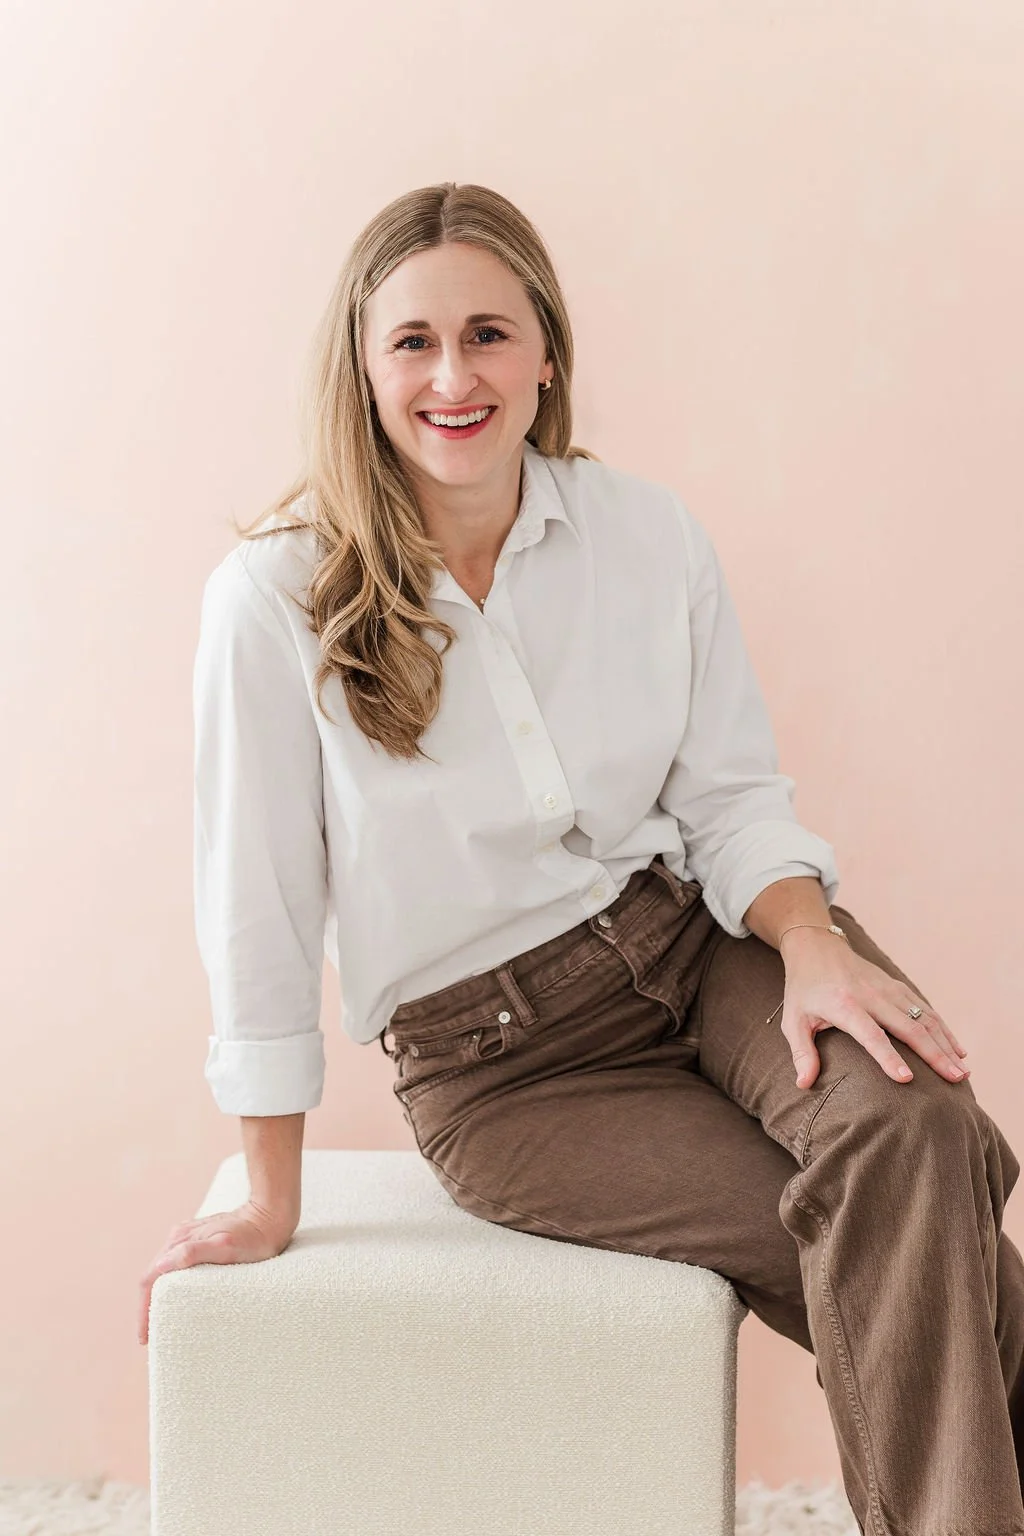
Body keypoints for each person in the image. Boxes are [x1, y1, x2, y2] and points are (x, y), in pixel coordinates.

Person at [138, 181, 1024, 1532]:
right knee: (903, 1215)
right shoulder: (274, 596)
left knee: (917, 1122)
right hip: (504, 1070)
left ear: (547, 352)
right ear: (362, 369)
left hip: (702, 942)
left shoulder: (646, 534)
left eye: (489, 335)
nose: (454, 377)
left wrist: (812, 948)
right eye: (414, 342)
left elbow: (731, 798)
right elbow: (255, 904)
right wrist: (270, 1190)